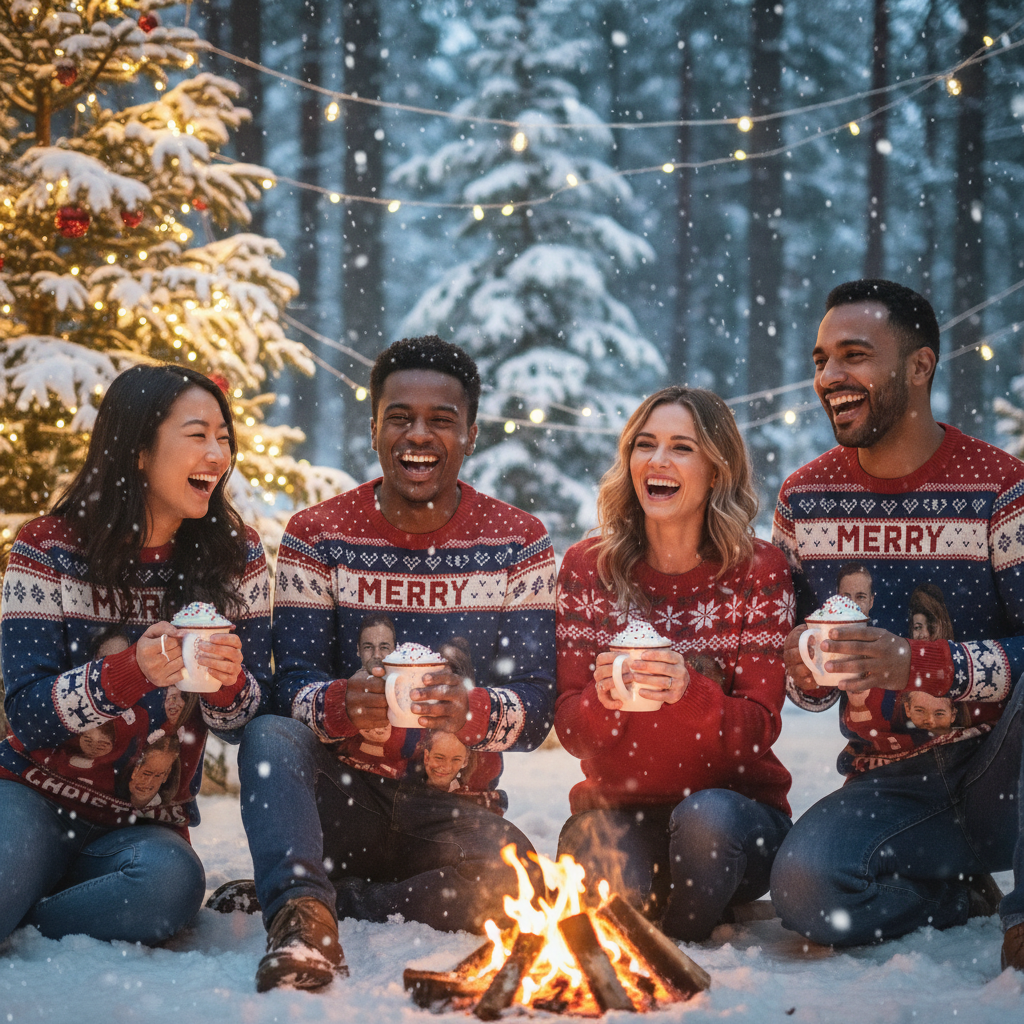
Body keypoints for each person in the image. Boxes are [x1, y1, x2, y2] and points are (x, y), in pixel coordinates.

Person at [232, 335, 556, 993]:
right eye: (401, 415)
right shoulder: (317, 534)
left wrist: (469, 711)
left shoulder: (518, 542)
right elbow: (284, 685)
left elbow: (538, 705)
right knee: (269, 740)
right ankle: (303, 922)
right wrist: (335, 702)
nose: (419, 433)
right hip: (341, 800)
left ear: (470, 434)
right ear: (374, 426)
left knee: (519, 878)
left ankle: (341, 899)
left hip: (451, 805)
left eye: (441, 419)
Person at [770, 279, 1024, 972]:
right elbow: (811, 682)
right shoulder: (804, 499)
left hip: (1005, 768)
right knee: (805, 889)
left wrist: (917, 663)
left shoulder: (1001, 488)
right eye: (822, 359)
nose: (830, 377)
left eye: (854, 355)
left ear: (920, 366)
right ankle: (952, 893)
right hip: (890, 784)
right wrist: (804, 669)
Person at [0, 364, 271, 948]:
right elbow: (26, 713)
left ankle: (27, 926)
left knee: (168, 888)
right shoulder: (47, 547)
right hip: (29, 797)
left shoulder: (236, 556)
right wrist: (130, 672)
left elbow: (246, 718)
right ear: (139, 451)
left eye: (224, 437)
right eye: (197, 434)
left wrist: (225, 683)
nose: (218, 454)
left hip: (142, 828)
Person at [554, 386, 795, 941]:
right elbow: (571, 728)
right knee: (613, 881)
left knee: (706, 822)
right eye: (646, 444)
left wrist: (688, 692)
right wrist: (604, 700)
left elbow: (759, 729)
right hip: (618, 815)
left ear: (717, 471)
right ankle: (663, 915)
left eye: (681, 448)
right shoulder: (588, 568)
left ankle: (681, 946)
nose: (658, 461)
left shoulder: (759, 571)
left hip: (733, 819)